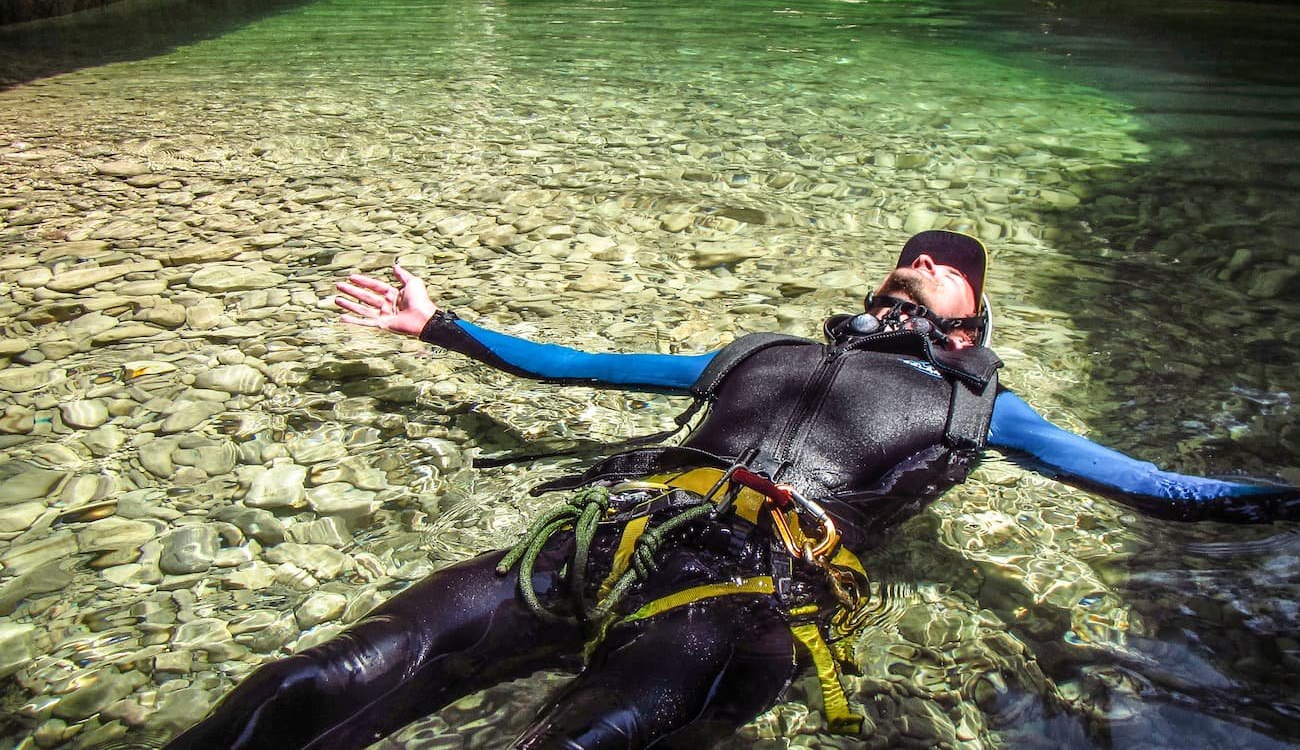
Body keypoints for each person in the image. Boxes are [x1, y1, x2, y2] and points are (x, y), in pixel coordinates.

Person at [165, 231, 1297, 750]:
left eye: (945, 257)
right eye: (906, 251)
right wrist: (443, 328)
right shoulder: (756, 352)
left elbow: (1157, 487)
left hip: (749, 597)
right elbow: (582, 364)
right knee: (312, 678)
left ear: (972, 314)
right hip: (600, 542)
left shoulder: (984, 413)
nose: (919, 255)